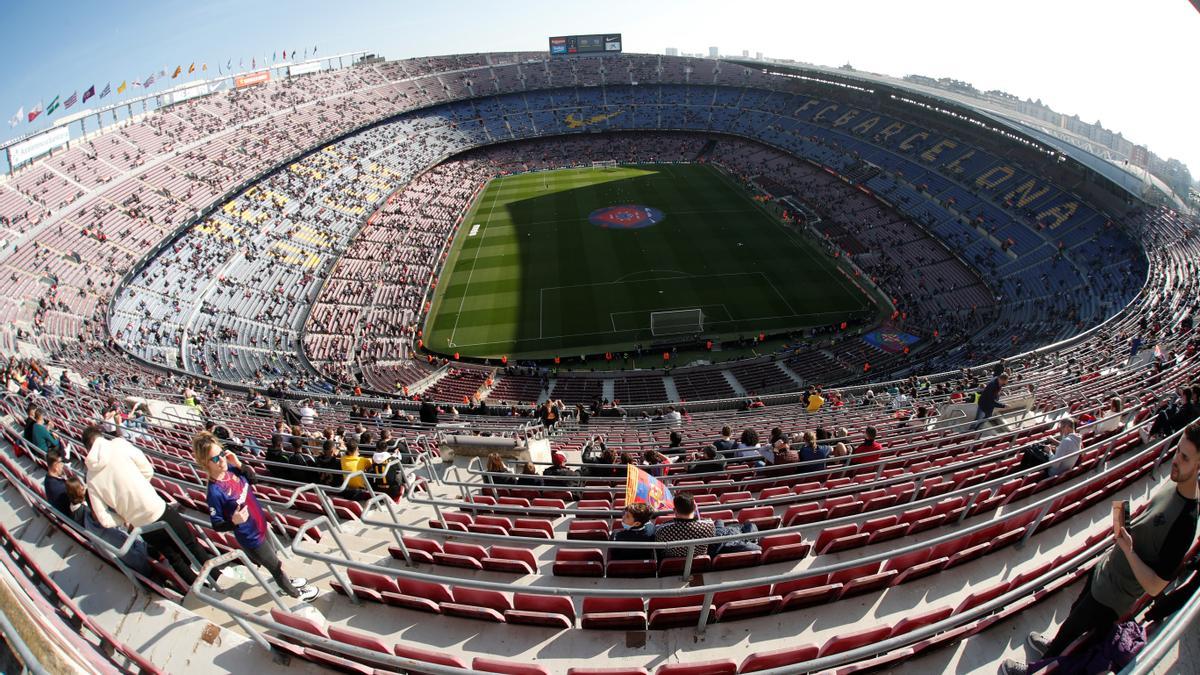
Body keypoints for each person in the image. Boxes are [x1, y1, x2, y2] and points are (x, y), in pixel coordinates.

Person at [1003, 420, 1200, 675]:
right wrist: (1126, 528)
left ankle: (1035, 670)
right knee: (1072, 621)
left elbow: (1155, 586)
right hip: (1106, 570)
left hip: (1112, 596)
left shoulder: (1186, 521)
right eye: (1177, 451)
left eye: (1184, 457)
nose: (1175, 460)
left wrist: (1128, 549)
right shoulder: (1174, 481)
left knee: (1076, 636)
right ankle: (1054, 645)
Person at [82, 425, 215, 586]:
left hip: (140, 524)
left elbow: (103, 519)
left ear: (87, 448)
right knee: (191, 543)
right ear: (101, 436)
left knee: (174, 557)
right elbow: (147, 470)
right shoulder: (119, 445)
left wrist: (124, 517)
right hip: (156, 508)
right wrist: (141, 489)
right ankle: (218, 578)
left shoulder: (90, 477)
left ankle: (202, 590)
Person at [192, 432, 318, 602]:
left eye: (221, 454)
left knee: (274, 557)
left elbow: (253, 480)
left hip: (260, 524)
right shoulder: (214, 491)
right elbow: (217, 524)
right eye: (215, 459)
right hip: (250, 537)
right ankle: (296, 594)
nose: (221, 460)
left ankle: (286, 582)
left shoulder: (230, 468)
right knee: (276, 567)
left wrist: (238, 464)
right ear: (204, 463)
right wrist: (234, 522)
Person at [65, 476, 153, 577]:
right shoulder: (108, 534)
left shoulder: (87, 520)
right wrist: (138, 537)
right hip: (144, 568)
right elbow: (139, 562)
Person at [654, 493, 715, 559]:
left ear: (675, 510)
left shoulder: (663, 529)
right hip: (700, 564)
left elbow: (658, 546)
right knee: (719, 522)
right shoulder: (709, 525)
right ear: (695, 507)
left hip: (673, 564)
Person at [43, 448, 70, 515]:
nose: (63, 465)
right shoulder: (61, 488)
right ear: (55, 466)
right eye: (61, 462)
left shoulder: (47, 480)